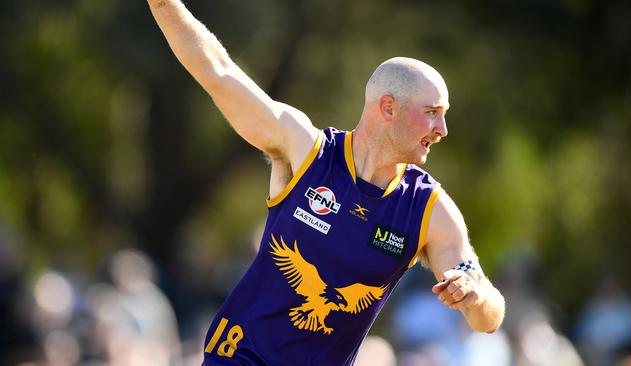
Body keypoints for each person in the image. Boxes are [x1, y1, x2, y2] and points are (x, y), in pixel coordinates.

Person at [146, 1, 506, 364]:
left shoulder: (428, 208)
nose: (442, 130)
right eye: (432, 114)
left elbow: (488, 314)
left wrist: (475, 296)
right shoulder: (306, 151)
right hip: (240, 357)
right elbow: (217, 70)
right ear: (387, 108)